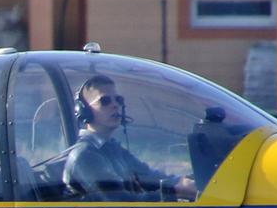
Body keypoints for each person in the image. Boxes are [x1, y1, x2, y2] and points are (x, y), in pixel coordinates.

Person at [64, 75, 196, 200]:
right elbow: (121, 203)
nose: (115, 105)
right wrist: (174, 191)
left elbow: (150, 177)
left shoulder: (113, 149)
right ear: (84, 111)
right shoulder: (86, 155)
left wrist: (186, 182)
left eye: (118, 100)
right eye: (105, 101)